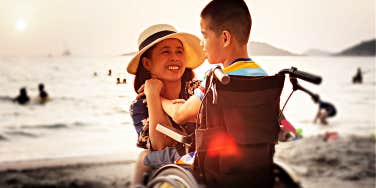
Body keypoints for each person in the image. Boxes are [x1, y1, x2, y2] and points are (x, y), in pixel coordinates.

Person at [161, 0, 292, 128]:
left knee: (157, 152)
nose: (201, 43)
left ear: (225, 38)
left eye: (205, 36)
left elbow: (178, 115)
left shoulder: (216, 79)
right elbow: (278, 120)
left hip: (219, 150)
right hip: (258, 149)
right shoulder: (263, 77)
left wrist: (160, 99)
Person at [127, 24, 204, 187]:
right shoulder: (139, 106)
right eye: (166, 51)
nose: (175, 57)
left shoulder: (197, 90)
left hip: (206, 156)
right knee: (144, 158)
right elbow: (160, 146)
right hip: (172, 164)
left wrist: (160, 100)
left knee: (143, 158)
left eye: (179, 51)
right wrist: (153, 96)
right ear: (147, 63)